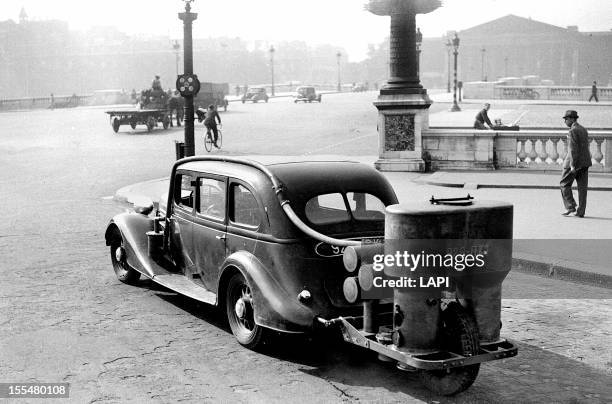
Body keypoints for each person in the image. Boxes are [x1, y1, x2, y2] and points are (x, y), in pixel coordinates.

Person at [560, 110, 591, 218]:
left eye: (566, 119)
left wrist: (572, 165)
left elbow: (573, 149)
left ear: (572, 119)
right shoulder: (583, 129)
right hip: (585, 162)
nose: (565, 121)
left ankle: (570, 206)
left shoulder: (572, 130)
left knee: (564, 183)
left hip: (574, 163)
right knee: (582, 189)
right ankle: (581, 212)